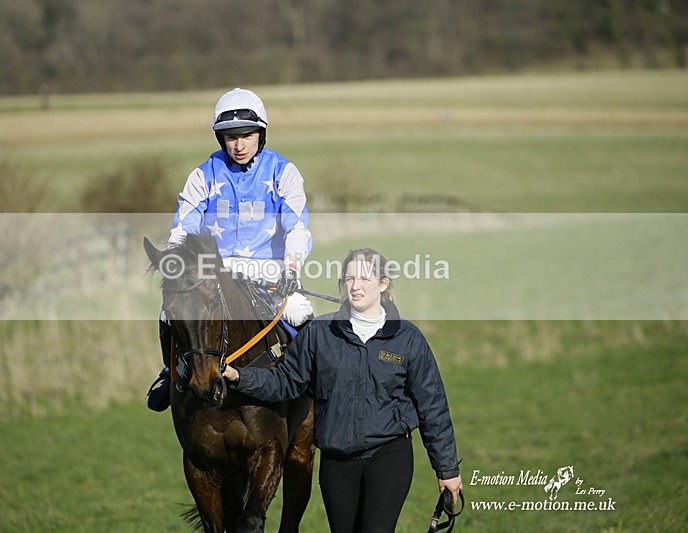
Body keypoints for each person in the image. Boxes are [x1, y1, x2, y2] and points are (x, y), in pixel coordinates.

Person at [223, 248, 462, 532]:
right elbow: (285, 381)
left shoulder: (407, 339)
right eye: (349, 279)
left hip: (389, 454)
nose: (355, 286)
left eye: (364, 278)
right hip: (337, 460)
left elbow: (433, 407)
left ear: (383, 284)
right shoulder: (320, 332)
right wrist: (239, 376)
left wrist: (447, 470)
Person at [147, 87, 314, 412]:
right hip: (214, 270)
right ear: (220, 138)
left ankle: (314, 380)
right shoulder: (203, 175)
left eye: (246, 136)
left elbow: (297, 227)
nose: (239, 145)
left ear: (260, 134)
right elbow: (183, 228)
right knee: (168, 312)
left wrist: (292, 268)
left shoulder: (284, 172)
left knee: (300, 311)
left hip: (269, 269)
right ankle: (171, 372)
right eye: (230, 137)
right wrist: (177, 266)